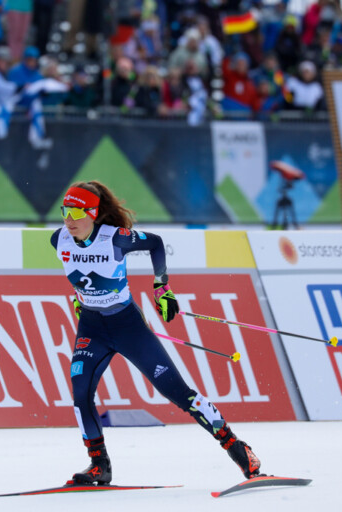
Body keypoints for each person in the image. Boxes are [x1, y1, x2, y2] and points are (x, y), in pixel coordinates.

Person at [50, 181, 263, 485]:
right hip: (92, 328)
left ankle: (238, 449)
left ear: (93, 213)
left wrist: (162, 286)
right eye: (64, 212)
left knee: (177, 393)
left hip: (128, 327)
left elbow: (155, 243)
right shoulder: (58, 240)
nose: (68, 220)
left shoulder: (117, 239)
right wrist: (79, 299)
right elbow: (80, 276)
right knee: (81, 393)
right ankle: (99, 464)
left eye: (75, 212)